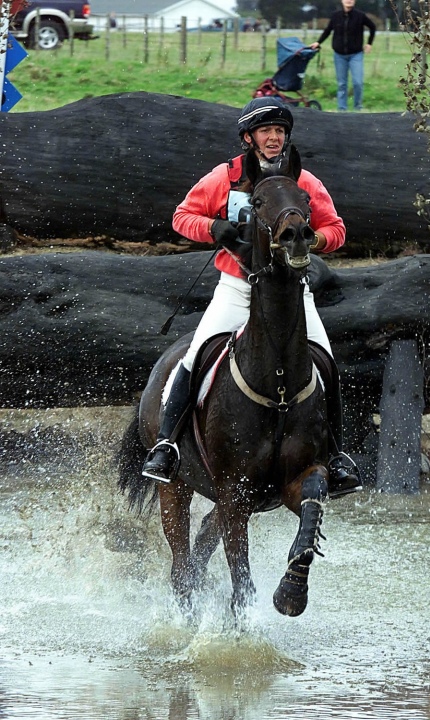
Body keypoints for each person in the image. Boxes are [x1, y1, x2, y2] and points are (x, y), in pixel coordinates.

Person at [142, 97, 361, 498]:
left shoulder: (303, 182)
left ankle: (337, 457)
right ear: (249, 137)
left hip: (290, 294)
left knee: (326, 363)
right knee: (194, 358)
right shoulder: (223, 178)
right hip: (238, 289)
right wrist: (215, 228)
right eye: (266, 131)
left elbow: (337, 229)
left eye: (280, 131)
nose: (274, 137)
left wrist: (316, 239)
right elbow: (180, 217)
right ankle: (167, 445)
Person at [311, 0, 376, 112]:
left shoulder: (360, 16)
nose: (349, 1)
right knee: (342, 84)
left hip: (356, 55)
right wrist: (318, 42)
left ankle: (358, 107)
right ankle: (342, 110)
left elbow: (373, 27)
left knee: (358, 83)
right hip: (339, 55)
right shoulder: (336, 16)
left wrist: (369, 43)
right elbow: (328, 30)